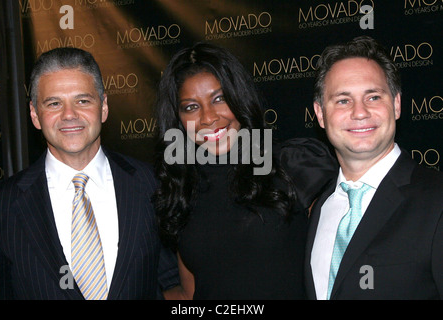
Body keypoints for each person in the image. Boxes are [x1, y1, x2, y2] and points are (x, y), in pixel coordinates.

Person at [153, 42, 337, 299]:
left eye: (219, 99)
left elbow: (344, 265)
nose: (208, 118)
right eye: (191, 107)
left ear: (239, 98)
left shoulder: (293, 165)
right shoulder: (182, 189)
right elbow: (189, 292)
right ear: (178, 119)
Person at [0, 47, 179, 299]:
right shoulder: (2, 205)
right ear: (35, 115)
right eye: (54, 103)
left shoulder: (151, 184)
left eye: (83, 100)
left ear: (103, 107)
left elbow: (174, 283)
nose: (69, 115)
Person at [306, 36, 443, 300]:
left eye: (373, 97)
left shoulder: (437, 200)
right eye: (343, 100)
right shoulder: (318, 207)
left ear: (396, 104)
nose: (360, 112)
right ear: (321, 114)